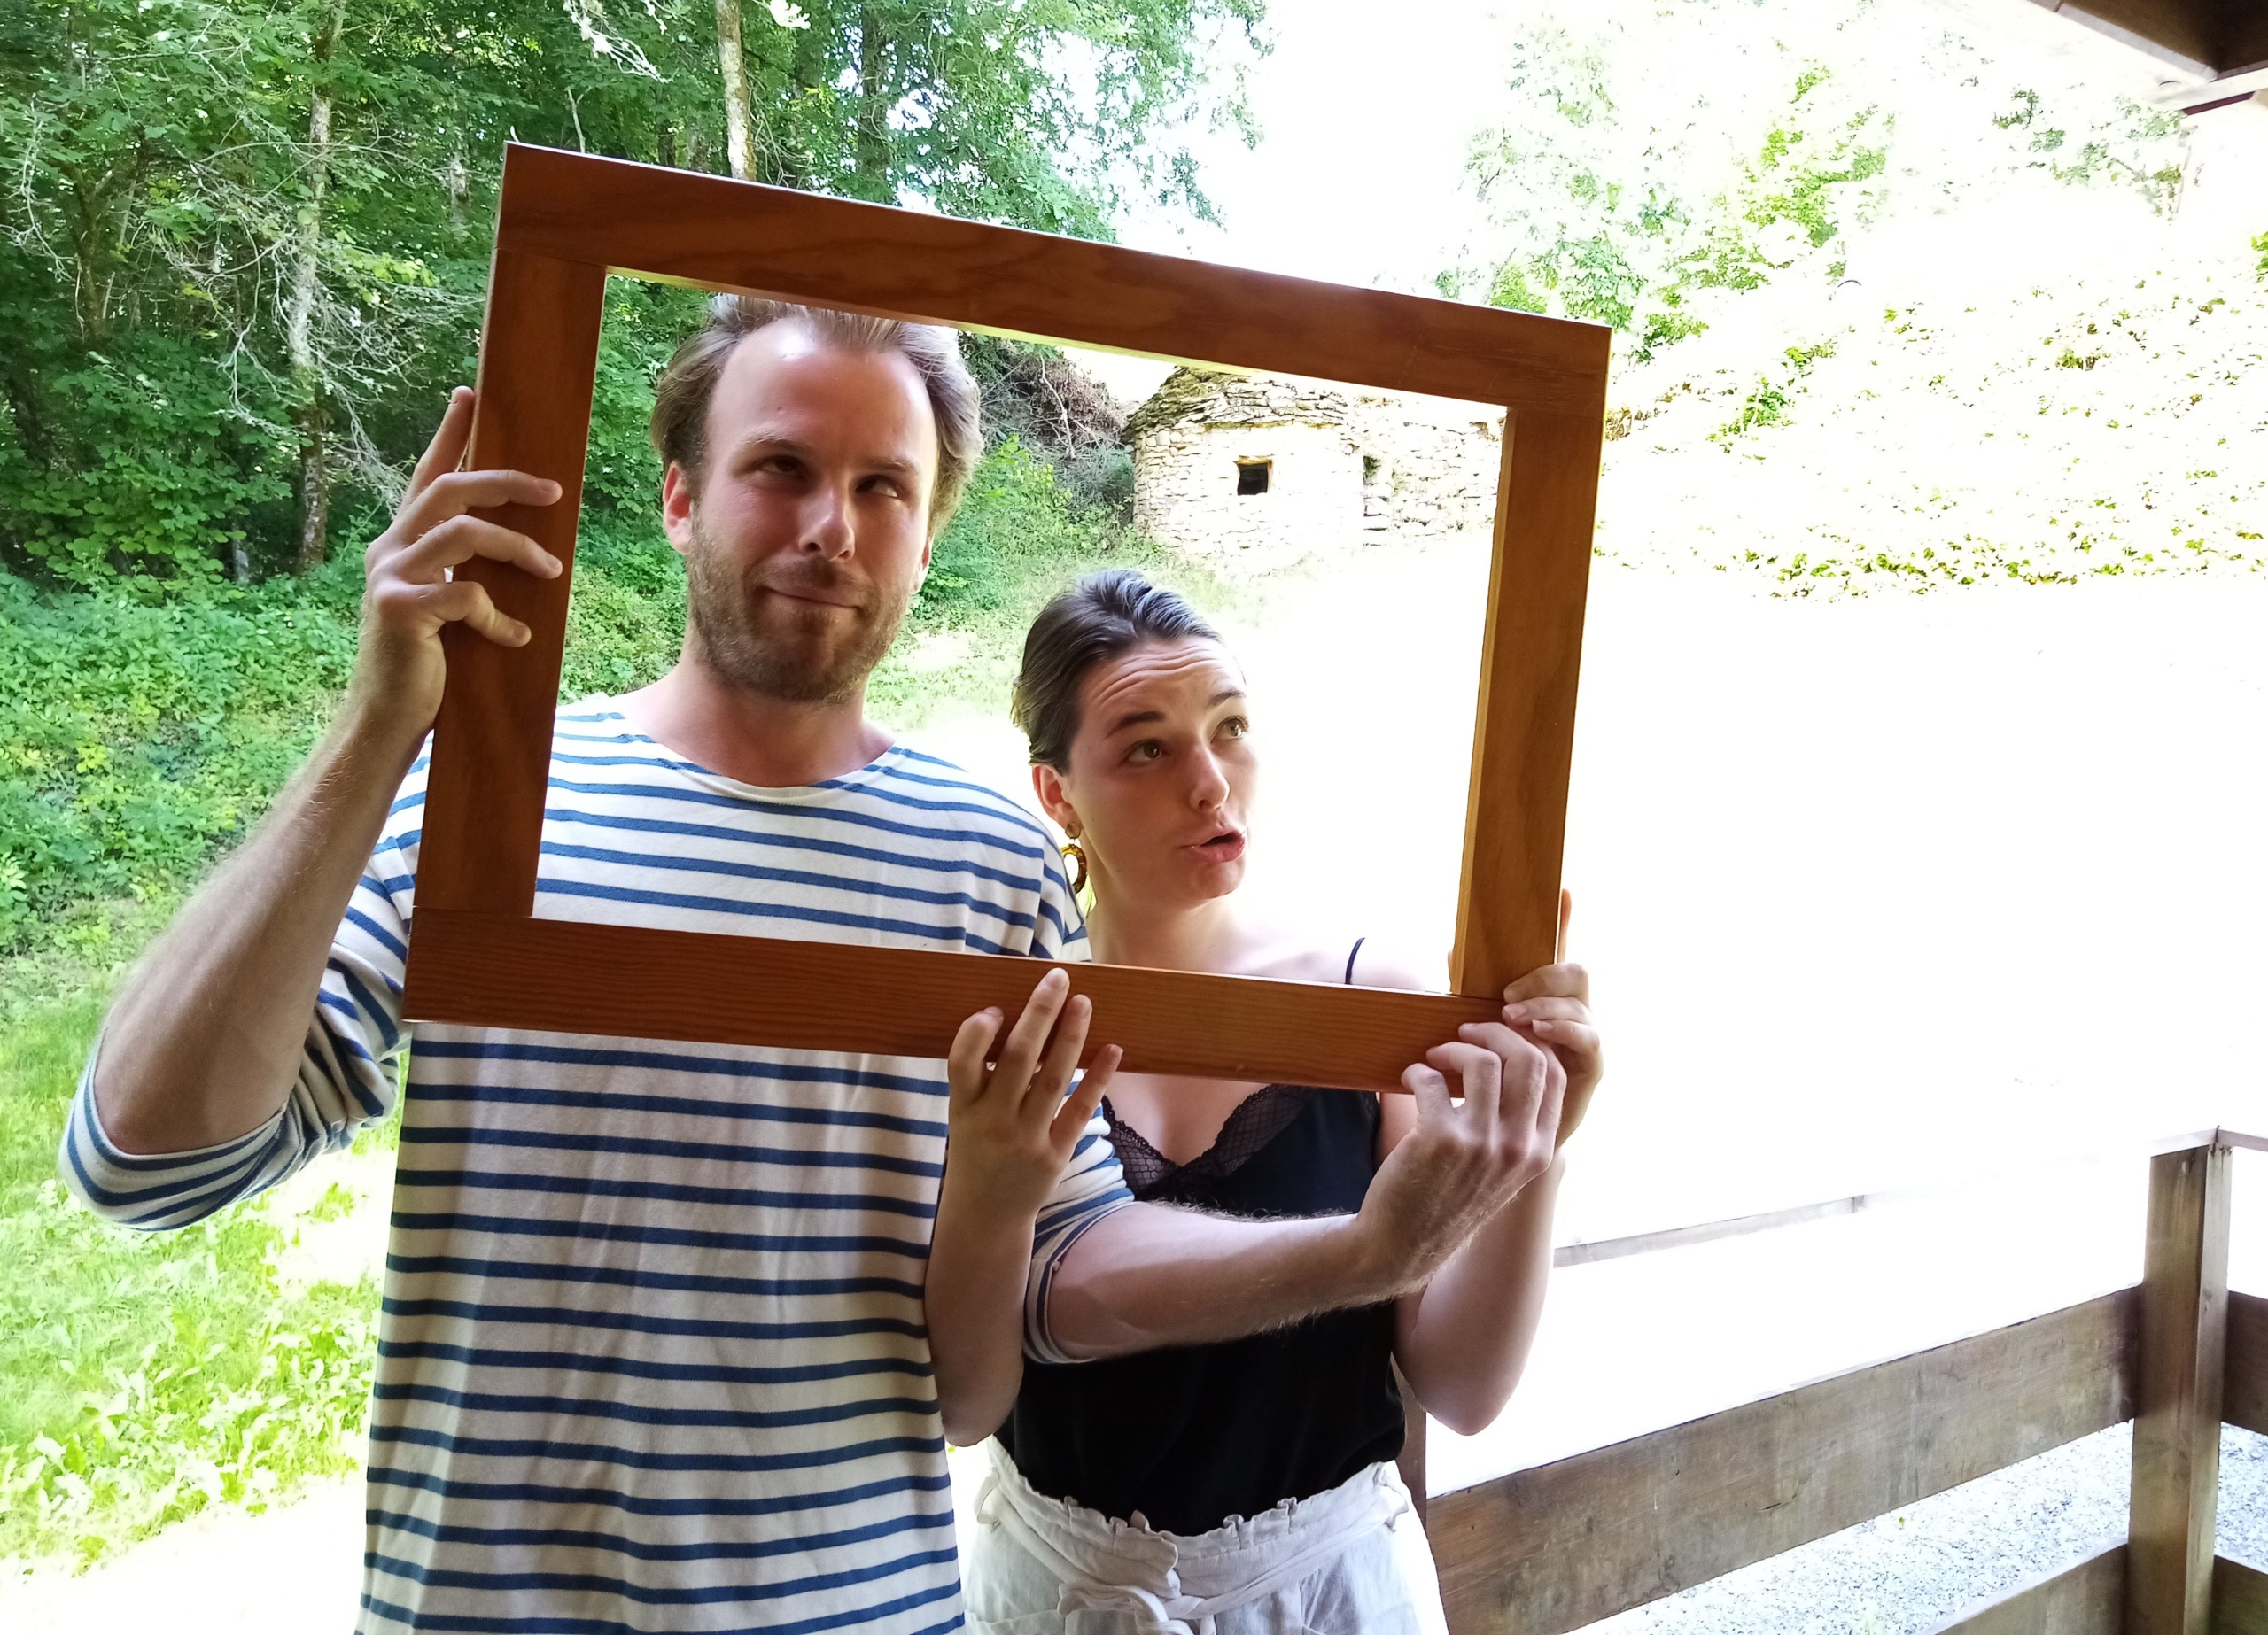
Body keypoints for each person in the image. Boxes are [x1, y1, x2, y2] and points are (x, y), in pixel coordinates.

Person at [60, 296, 1561, 1635]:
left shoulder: (990, 863)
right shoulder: (491, 802)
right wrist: (379, 727)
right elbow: (146, 1162)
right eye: (780, 466)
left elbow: (1058, 1278)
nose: (831, 527)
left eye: (882, 486)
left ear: (926, 538)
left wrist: (1369, 1256)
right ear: (679, 496)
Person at [933, 570, 1604, 1635]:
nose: (1211, 784)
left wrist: (1535, 1150)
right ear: (1056, 793)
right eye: (1146, 748)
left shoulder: (1370, 1006)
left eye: (1230, 728)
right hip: (1058, 1595)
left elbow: (1465, 1390)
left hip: (1331, 1595)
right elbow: (970, 1398)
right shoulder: (1014, 1029)